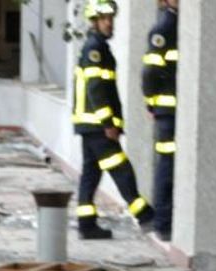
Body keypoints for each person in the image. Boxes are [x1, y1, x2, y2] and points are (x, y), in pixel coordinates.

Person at [72, 0, 154, 240]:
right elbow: (96, 89)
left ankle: (86, 225)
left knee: (91, 174)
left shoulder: (94, 47)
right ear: (94, 21)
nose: (110, 23)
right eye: (105, 19)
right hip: (98, 126)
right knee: (121, 169)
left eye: (111, 18)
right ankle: (145, 216)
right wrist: (109, 123)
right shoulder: (95, 49)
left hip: (89, 125)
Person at [141, 0, 179, 241]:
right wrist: (151, 102)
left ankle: (166, 221)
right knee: (166, 166)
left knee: (170, 165)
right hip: (167, 112)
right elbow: (150, 71)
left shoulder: (177, 25)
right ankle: (163, 224)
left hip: (173, 111)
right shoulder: (164, 28)